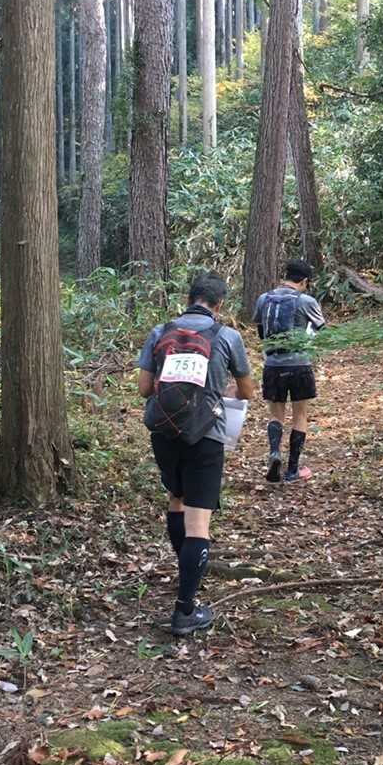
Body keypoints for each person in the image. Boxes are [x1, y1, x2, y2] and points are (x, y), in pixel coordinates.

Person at [137, 272, 254, 637]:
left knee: (177, 500)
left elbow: (144, 388)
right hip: (206, 436)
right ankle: (185, 610)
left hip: (165, 432)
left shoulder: (160, 332)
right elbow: (247, 390)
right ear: (219, 305)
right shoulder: (228, 336)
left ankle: (185, 571)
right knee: (199, 522)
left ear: (189, 299)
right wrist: (222, 391)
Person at [252, 259, 325, 484]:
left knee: (276, 414)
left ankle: (275, 453)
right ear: (304, 281)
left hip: (273, 365)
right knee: (300, 415)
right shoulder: (307, 301)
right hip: (300, 365)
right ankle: (292, 470)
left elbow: (261, 332)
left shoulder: (264, 299)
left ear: (285, 276)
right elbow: (320, 329)